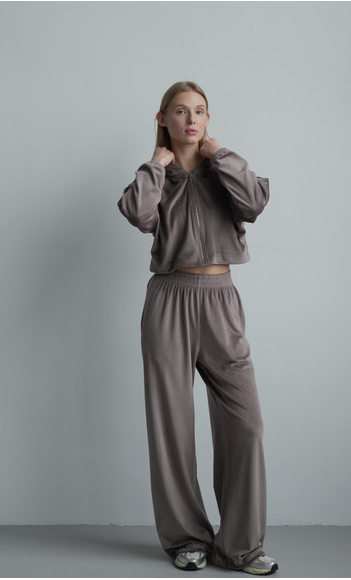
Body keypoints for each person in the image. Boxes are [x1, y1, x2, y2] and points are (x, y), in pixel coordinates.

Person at [117, 81, 278, 575]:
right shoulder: (156, 176)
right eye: (181, 111)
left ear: (209, 119)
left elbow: (254, 202)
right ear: (162, 118)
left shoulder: (222, 170)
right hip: (169, 298)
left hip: (220, 300)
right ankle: (187, 539)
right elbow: (137, 214)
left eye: (200, 111)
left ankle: (240, 546)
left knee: (245, 422)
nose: (191, 119)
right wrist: (156, 163)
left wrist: (220, 154)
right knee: (172, 424)